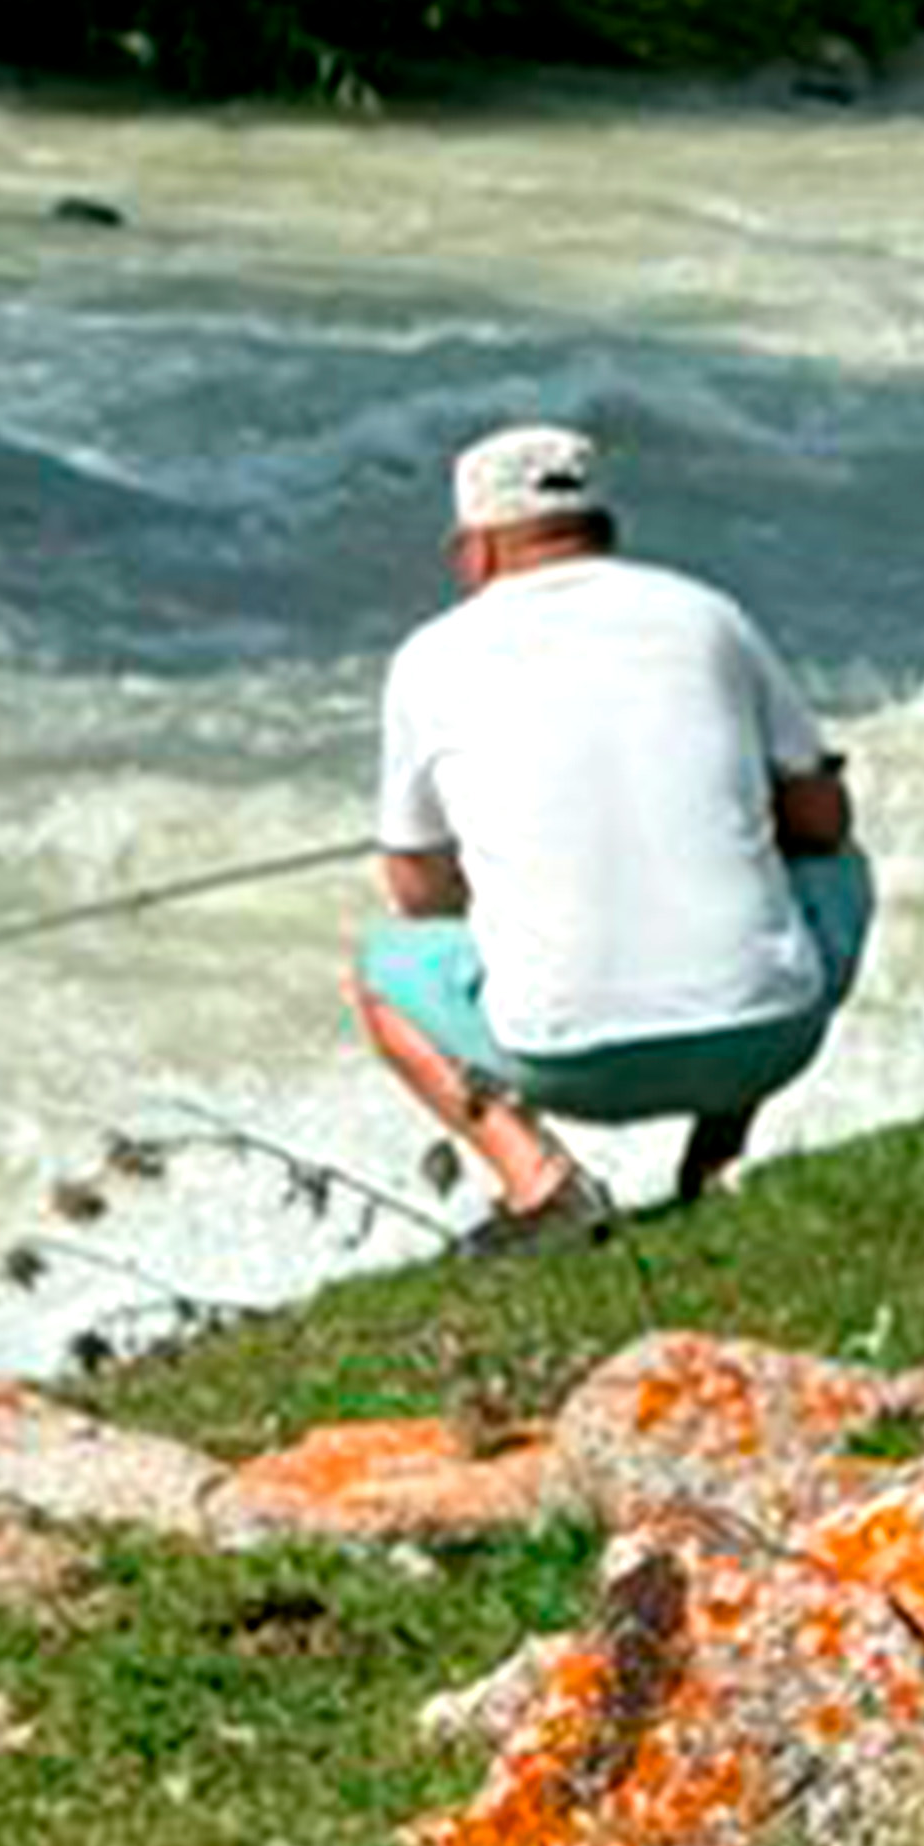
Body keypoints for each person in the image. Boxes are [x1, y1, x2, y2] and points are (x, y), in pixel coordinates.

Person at [351, 423, 870, 1251]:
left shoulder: (429, 660)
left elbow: (416, 893)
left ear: (478, 553)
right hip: (770, 1037)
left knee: (380, 976)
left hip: (567, 1064)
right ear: (601, 531)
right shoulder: (708, 617)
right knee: (836, 876)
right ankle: (717, 1158)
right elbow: (822, 824)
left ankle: (541, 1184)